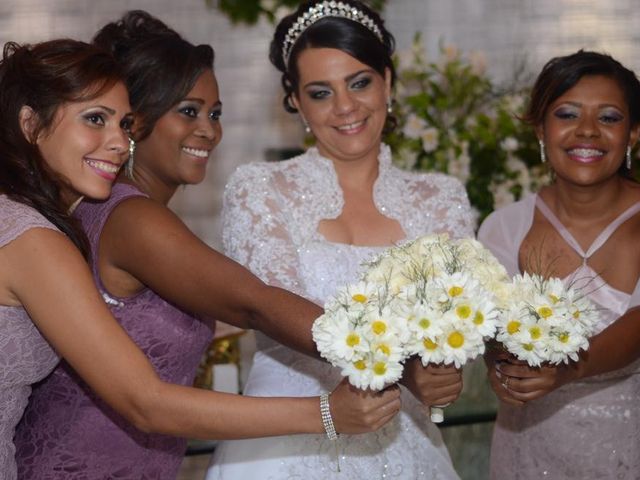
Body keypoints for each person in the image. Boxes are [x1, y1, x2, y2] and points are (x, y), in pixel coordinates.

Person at [13, 12, 401, 480]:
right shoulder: (130, 216)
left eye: (214, 114)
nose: (208, 130)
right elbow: (253, 304)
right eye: (188, 111)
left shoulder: (100, 207)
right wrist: (390, 356)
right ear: (143, 117)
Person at [206, 1, 475, 478]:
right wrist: (405, 366)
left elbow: (451, 330)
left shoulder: (441, 198)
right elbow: (270, 309)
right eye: (320, 92)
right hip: (283, 444)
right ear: (295, 101)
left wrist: (443, 370)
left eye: (360, 82)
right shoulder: (260, 189)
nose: (345, 107)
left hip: (405, 443)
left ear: (388, 81)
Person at [478, 50, 640, 479]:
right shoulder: (503, 228)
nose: (587, 130)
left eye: (609, 118)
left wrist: (570, 366)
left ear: (634, 133)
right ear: (541, 128)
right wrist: (499, 365)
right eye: (567, 114)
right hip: (527, 452)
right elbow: (488, 326)